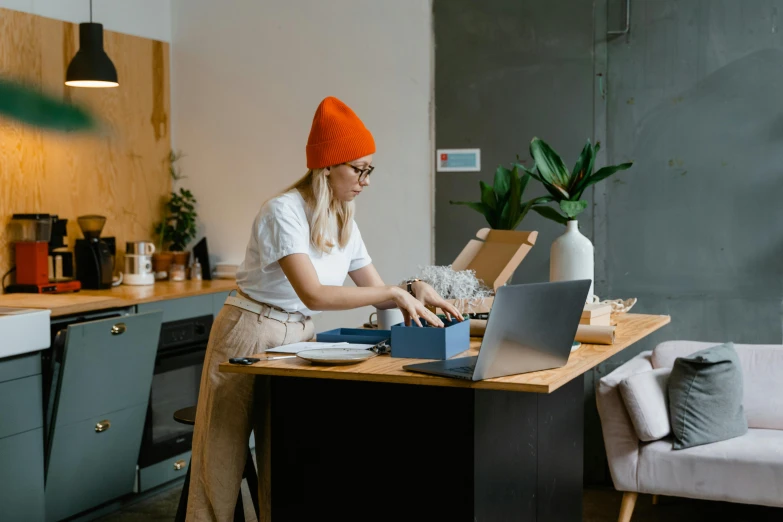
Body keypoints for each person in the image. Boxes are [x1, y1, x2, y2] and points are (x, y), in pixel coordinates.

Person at [186, 96, 462, 521]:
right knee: (221, 458)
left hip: (299, 336)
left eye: (370, 170)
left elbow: (373, 287)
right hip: (250, 329)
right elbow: (315, 293)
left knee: (286, 451)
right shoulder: (283, 211)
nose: (366, 180)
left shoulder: (343, 218)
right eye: (359, 169)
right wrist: (393, 292)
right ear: (328, 165)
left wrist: (412, 289)